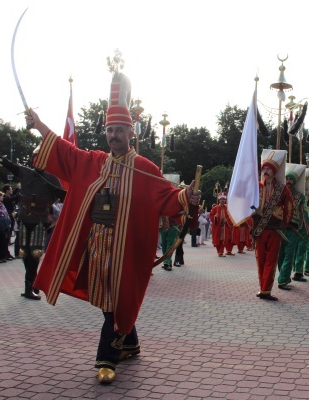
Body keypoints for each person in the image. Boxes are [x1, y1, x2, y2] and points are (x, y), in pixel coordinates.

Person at [25, 69, 201, 383]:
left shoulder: (146, 169)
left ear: (131, 133)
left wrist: (188, 195)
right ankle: (129, 342)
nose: (113, 136)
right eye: (110, 130)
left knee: (116, 301)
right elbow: (66, 153)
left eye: (119, 130)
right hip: (97, 249)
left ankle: (107, 358)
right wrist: (38, 125)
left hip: (127, 252)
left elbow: (169, 198)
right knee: (109, 301)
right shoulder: (93, 162)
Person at [0, 141, 65, 300]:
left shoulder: (52, 179)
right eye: (35, 157)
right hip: (24, 220)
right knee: (25, 254)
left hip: (40, 222)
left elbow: (66, 197)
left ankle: (30, 286)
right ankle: (32, 284)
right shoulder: (25, 172)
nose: (37, 160)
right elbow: (2, 161)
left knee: (33, 254)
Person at [251, 149, 293, 300]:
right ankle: (262, 287)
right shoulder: (256, 186)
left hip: (275, 229)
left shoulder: (282, 189)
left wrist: (284, 224)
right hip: (259, 229)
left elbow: (289, 207)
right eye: (264, 168)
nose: (266, 171)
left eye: (269, 168)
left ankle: (266, 290)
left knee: (271, 259)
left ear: (274, 171)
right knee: (260, 259)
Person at [277, 163, 308, 289]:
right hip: (279, 229)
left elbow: (304, 212)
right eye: (287, 179)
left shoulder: (300, 196)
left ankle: (282, 280)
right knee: (280, 257)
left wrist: (308, 227)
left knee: (289, 256)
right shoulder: (278, 193)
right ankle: (284, 276)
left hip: (293, 230)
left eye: (291, 179)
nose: (288, 181)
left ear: (295, 182)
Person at [210, 192, 235, 256]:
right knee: (219, 239)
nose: (222, 202)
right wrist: (215, 217)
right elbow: (211, 216)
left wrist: (227, 220)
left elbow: (231, 216)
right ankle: (220, 252)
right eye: (221, 201)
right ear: (219, 201)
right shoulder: (215, 208)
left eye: (223, 201)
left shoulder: (228, 208)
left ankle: (227, 251)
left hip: (226, 226)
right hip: (218, 227)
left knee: (226, 239)